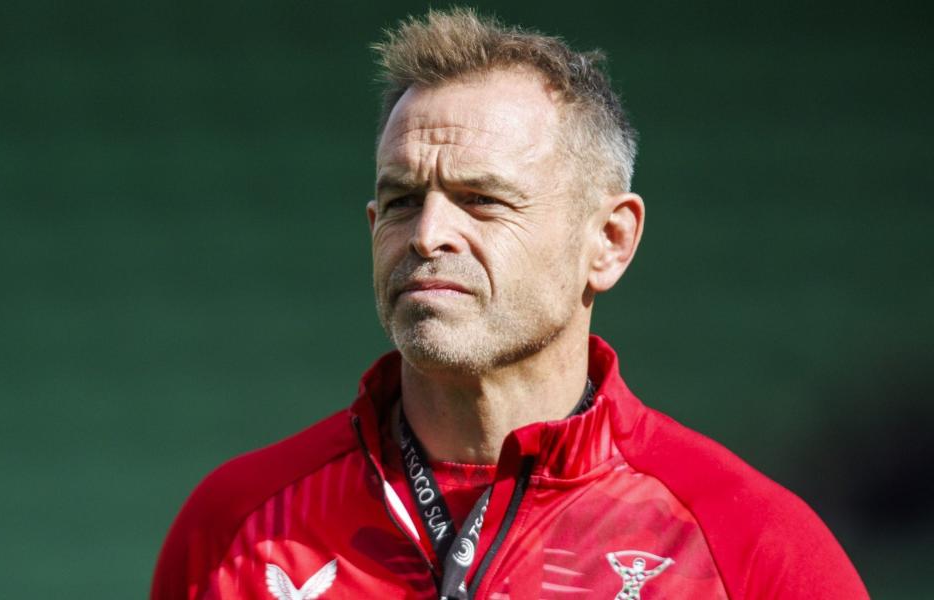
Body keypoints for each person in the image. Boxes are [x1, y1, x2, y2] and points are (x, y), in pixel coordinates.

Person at [151, 9, 869, 599]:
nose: (429, 235)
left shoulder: (751, 549)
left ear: (609, 242)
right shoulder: (237, 526)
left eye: (482, 201)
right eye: (402, 200)